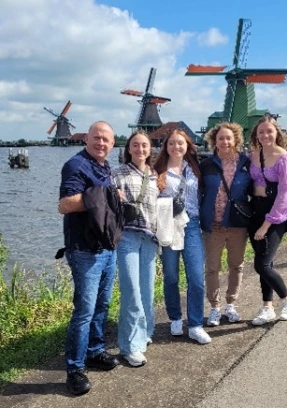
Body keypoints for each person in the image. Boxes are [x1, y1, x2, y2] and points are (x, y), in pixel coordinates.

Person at [58, 121, 121, 396]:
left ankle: (95, 351)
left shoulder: (105, 166)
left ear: (112, 143)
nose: (101, 143)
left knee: (102, 304)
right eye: (97, 138)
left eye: (106, 139)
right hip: (84, 250)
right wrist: (105, 196)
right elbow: (65, 204)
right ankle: (75, 368)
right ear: (87, 138)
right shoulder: (76, 165)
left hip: (106, 246)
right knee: (83, 311)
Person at [153, 129, 211, 345]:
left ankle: (195, 324)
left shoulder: (194, 168)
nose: (176, 147)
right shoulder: (157, 169)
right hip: (169, 224)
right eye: (171, 144)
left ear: (187, 146)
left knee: (196, 277)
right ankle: (175, 317)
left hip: (192, 225)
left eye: (180, 143)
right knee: (171, 276)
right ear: (166, 147)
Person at [112, 130, 159, 367]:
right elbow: (108, 203)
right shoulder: (117, 172)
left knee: (147, 290)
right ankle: (130, 346)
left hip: (149, 238)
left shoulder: (153, 174)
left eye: (144, 146)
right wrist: (114, 196)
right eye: (136, 145)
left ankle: (145, 331)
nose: (140, 149)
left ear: (150, 149)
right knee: (131, 291)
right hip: (128, 236)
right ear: (128, 149)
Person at [199, 122, 252, 327]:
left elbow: (256, 187)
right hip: (213, 224)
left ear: (236, 140)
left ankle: (231, 304)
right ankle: (214, 307)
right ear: (215, 141)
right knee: (212, 268)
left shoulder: (245, 163)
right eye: (221, 138)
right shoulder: (206, 165)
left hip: (237, 223)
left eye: (229, 138)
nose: (225, 141)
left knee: (236, 266)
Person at [248, 115, 287, 325]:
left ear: (277, 132)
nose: (265, 135)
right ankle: (267, 308)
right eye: (261, 132)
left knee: (262, 263)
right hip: (255, 209)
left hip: (276, 213)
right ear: (256, 135)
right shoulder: (253, 155)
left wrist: (267, 223)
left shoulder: (283, 157)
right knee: (264, 260)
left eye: (269, 131)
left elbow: (285, 193)